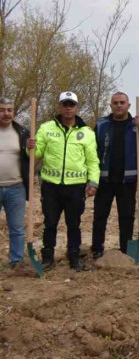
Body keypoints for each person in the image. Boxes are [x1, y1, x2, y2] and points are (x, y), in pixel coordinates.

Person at [29, 91, 100, 271]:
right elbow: (35, 154)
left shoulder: (87, 132)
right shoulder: (47, 128)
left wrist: (93, 182)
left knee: (73, 224)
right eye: (65, 104)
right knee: (50, 222)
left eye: (71, 105)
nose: (68, 108)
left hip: (76, 188)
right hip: (51, 186)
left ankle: (74, 256)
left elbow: (92, 160)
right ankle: (47, 258)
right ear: (59, 106)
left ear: (76, 107)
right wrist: (30, 147)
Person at [91, 92, 139, 259]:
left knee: (126, 217)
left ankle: (125, 250)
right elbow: (91, 150)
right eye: (115, 102)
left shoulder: (135, 125)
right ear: (111, 105)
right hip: (104, 180)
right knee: (100, 216)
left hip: (128, 181)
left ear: (128, 105)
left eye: (122, 102)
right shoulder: (101, 124)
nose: (119, 105)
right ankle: (97, 249)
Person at [0, 97, 31, 268]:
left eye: (9, 110)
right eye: (2, 110)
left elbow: (30, 158)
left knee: (17, 228)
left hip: (16, 187)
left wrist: (31, 148)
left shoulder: (22, 133)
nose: (6, 113)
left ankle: (16, 262)